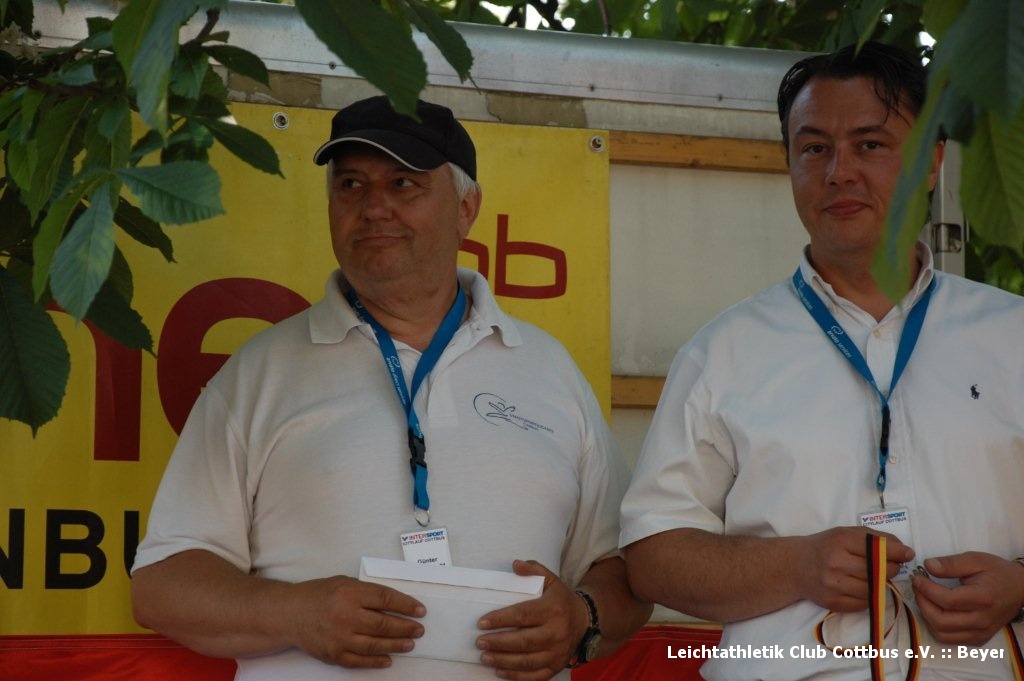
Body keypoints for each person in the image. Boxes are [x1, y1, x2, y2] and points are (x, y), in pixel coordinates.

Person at [132, 95, 650, 681]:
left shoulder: (549, 368)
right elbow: (161, 584)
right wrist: (294, 613)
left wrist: (581, 618)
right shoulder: (260, 371)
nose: (374, 207)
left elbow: (625, 569)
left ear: (466, 208)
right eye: (351, 184)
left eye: (404, 183)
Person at [620, 41, 1024, 681]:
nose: (839, 171)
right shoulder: (722, 351)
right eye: (814, 149)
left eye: (870, 144)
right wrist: (798, 566)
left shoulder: (1013, 335)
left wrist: (1021, 585)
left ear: (931, 161)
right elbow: (652, 558)